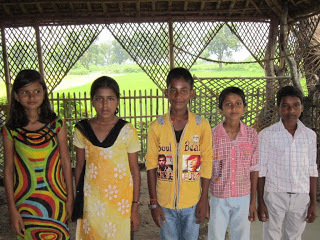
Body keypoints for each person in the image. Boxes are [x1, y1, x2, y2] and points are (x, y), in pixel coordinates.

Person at [2, 69, 73, 239]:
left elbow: (65, 161)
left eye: (37, 91)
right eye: (25, 92)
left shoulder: (57, 124)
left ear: (43, 94)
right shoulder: (10, 130)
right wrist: (12, 209)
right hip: (25, 203)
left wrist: (70, 197)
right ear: (17, 97)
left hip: (56, 199)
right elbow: (8, 170)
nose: (32, 97)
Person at [145, 67, 213, 240]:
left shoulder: (201, 125)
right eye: (173, 91)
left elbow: (206, 163)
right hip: (164, 204)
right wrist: (154, 203)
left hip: (192, 204)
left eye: (184, 91)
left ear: (192, 94)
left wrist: (204, 199)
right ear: (166, 93)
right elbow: (151, 165)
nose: (178, 96)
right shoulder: (156, 127)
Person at [73, 76, 141, 239]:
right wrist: (79, 199)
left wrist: (135, 206)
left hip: (120, 203)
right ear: (92, 101)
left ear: (118, 101)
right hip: (92, 202)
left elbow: (134, 170)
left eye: (110, 99)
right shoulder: (82, 130)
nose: (105, 105)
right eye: (99, 99)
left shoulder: (127, 131)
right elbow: (80, 166)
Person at [257, 85, 318, 240]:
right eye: (285, 106)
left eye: (295, 105)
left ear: (302, 107)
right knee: (271, 235)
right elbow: (261, 170)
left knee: (294, 237)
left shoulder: (309, 136)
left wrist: (312, 202)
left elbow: (312, 169)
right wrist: (261, 201)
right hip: (275, 195)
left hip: (301, 196)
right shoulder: (267, 135)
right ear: (278, 109)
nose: (291, 111)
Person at [208, 86, 259, 240]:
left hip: (243, 197)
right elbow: (206, 169)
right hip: (218, 196)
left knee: (241, 236)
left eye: (238, 103)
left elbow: (254, 169)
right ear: (220, 110)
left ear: (244, 108)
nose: (233, 108)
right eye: (228, 104)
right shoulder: (212, 135)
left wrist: (252, 202)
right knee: (216, 236)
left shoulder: (251, 135)